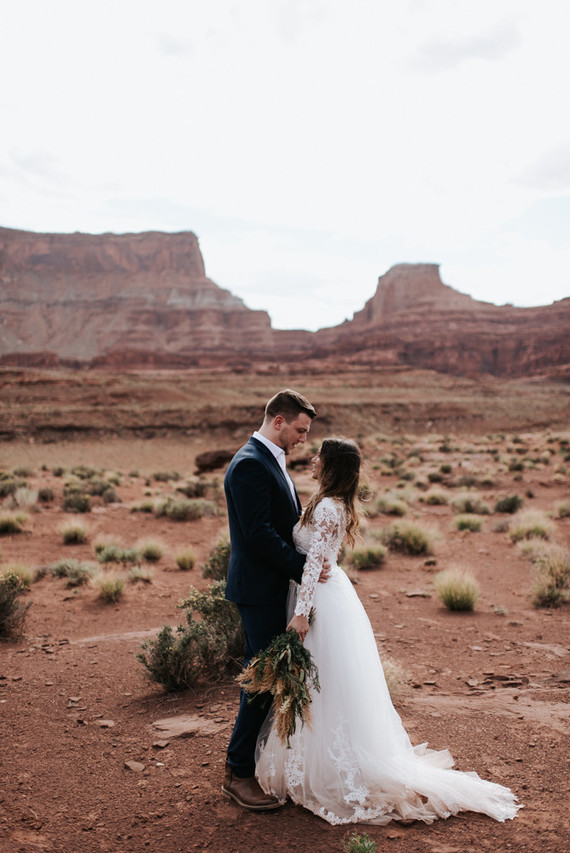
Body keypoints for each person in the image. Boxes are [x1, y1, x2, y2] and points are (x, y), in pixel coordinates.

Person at [255, 437, 522, 825]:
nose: (312, 459)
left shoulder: (329, 506)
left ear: (331, 466)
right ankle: (315, 763)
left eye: (320, 456)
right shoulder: (329, 501)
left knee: (321, 683)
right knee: (322, 683)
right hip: (327, 594)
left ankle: (330, 771)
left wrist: (301, 613)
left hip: (320, 602)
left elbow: (313, 564)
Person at [222, 388, 329, 811]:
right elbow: (259, 534)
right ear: (279, 422)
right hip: (258, 589)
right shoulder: (250, 464)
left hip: (269, 586)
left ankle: (248, 767)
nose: (304, 438)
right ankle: (238, 774)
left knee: (264, 678)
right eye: (300, 430)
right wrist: (302, 566)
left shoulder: (271, 459)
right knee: (262, 680)